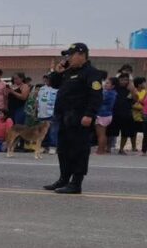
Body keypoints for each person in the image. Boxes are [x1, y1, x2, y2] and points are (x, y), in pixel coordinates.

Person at [43, 43, 103, 195]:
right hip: (64, 117)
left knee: (79, 151)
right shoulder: (68, 72)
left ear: (82, 55)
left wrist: (90, 114)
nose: (67, 58)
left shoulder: (91, 73)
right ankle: (64, 179)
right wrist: (57, 72)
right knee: (63, 150)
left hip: (80, 118)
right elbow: (53, 84)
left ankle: (76, 183)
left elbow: (96, 96)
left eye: (71, 55)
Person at [112, 73, 136, 154]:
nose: (123, 81)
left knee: (125, 133)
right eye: (121, 79)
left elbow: (135, 100)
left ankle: (121, 149)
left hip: (126, 114)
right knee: (111, 132)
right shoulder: (114, 88)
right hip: (114, 113)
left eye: (126, 80)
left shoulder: (130, 89)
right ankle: (108, 147)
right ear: (118, 80)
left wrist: (132, 90)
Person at [37, 74, 59, 154]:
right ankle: (43, 146)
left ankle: (53, 146)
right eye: (46, 79)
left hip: (52, 114)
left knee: (53, 131)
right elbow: (38, 100)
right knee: (42, 131)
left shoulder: (57, 89)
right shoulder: (42, 88)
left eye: (49, 79)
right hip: (42, 114)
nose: (47, 80)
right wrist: (36, 110)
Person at [96, 78, 116, 155]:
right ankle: (102, 149)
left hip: (102, 115)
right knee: (103, 134)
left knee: (101, 134)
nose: (105, 84)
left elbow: (98, 99)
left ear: (113, 86)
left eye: (108, 83)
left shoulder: (107, 94)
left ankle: (100, 151)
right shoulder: (113, 93)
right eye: (105, 83)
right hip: (107, 114)